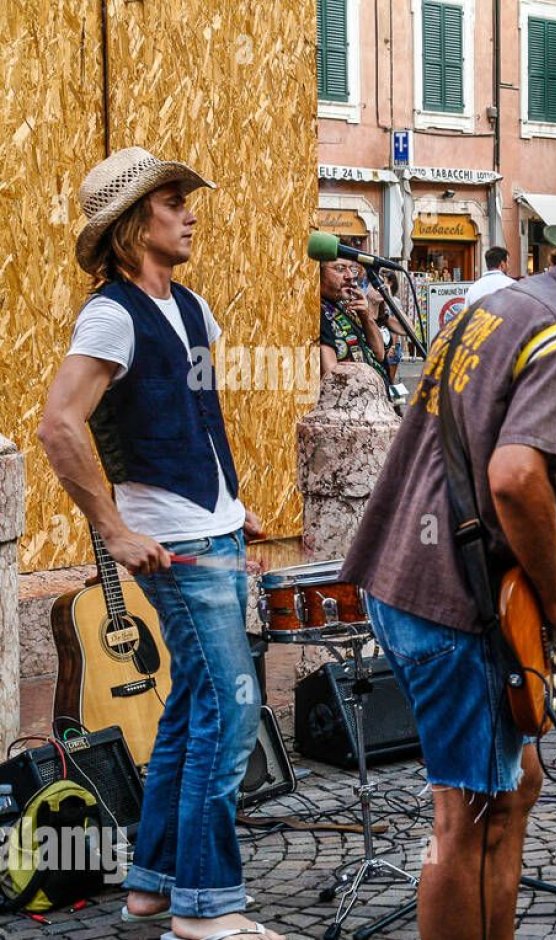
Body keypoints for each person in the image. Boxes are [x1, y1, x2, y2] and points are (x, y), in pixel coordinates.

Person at [340, 184, 556, 939]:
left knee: (515, 786)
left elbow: (482, 449)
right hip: (457, 598)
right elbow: (514, 476)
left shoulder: (505, 307)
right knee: (466, 817)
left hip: (405, 572)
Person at [38, 148, 280, 940]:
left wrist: (233, 502)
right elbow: (59, 425)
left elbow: (200, 418)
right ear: (137, 223)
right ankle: (207, 908)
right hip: (171, 545)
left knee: (188, 711)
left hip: (211, 527)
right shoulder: (110, 314)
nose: (190, 213)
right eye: (175, 202)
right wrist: (114, 529)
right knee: (232, 714)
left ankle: (150, 884)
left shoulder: (196, 309)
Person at [318, 256, 387, 379]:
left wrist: (366, 316)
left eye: (352, 269)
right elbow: (331, 375)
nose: (350, 276)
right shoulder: (318, 311)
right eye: (340, 269)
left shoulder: (346, 304)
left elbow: (379, 354)